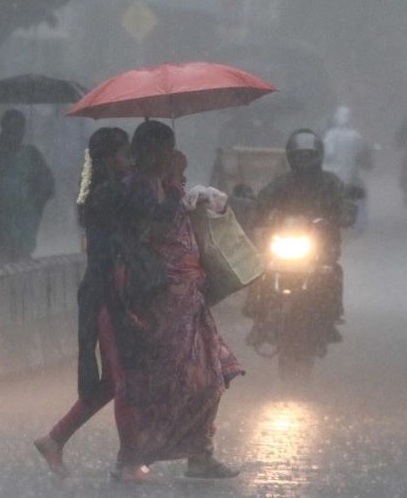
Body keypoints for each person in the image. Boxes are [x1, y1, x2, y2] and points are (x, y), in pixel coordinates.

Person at [116, 120, 243, 481]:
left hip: (190, 298)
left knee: (211, 374)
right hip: (161, 301)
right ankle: (135, 455)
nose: (170, 154)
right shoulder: (136, 186)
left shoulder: (163, 183)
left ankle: (200, 454)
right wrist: (175, 182)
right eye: (163, 148)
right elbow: (157, 224)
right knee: (170, 381)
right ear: (147, 152)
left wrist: (185, 189)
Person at [34, 128, 133, 477]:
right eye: (126, 154)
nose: (130, 160)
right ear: (109, 159)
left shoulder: (109, 192)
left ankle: (55, 439)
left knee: (111, 382)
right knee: (123, 381)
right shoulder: (109, 196)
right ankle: (130, 460)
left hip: (110, 292)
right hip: (107, 294)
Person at [246, 129, 352, 340]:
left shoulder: (331, 184)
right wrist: (254, 212)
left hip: (321, 248)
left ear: (318, 156)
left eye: (308, 155)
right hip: (283, 244)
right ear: (291, 157)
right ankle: (257, 316)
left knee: (331, 272)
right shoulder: (282, 183)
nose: (304, 160)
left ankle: (330, 317)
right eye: (299, 156)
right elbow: (262, 203)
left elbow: (345, 207)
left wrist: (343, 215)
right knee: (260, 270)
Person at [0, 110, 55, 264]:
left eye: (18, 128)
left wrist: (33, 200)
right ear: (3, 129)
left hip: (24, 219)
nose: (15, 133)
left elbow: (47, 185)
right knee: (6, 258)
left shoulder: (32, 155)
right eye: (11, 128)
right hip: (1, 217)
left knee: (20, 257)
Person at [323, 106, 373, 232]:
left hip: (330, 177)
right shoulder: (355, 136)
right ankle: (359, 226)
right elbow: (363, 156)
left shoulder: (330, 136)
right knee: (360, 197)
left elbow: (328, 154)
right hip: (350, 176)